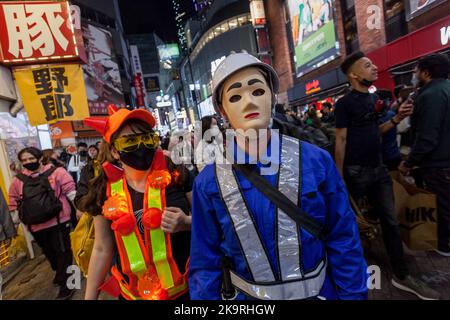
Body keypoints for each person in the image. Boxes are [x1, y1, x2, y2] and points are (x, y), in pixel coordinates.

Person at [189, 52, 368, 300]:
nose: (249, 102)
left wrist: (353, 297)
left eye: (258, 91)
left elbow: (343, 239)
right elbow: (205, 263)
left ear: (273, 97)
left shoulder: (316, 162)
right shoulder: (208, 182)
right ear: (222, 110)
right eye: (235, 96)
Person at [334, 51, 440, 299]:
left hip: (379, 170)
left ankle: (402, 276)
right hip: (355, 171)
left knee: (390, 222)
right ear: (354, 74)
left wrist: (397, 119)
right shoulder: (344, 104)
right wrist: (338, 176)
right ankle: (352, 276)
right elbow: (341, 139)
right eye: (367, 65)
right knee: (349, 224)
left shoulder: (372, 101)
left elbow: (376, 130)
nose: (374, 67)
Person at [78, 105, 192, 300]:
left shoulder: (178, 176)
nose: (141, 146)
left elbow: (210, 223)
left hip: (186, 292)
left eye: (147, 138)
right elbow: (102, 247)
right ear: (114, 151)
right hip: (133, 295)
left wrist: (187, 223)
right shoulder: (104, 190)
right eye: (130, 142)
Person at [398, 53, 450, 257]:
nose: (413, 73)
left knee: (442, 204)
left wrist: (409, 162)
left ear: (426, 73)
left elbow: (427, 137)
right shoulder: (444, 89)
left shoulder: (430, 95)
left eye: (416, 70)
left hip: (439, 162)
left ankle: (445, 245)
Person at [8, 147, 77, 300]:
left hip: (59, 220)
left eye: (31, 159)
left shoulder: (57, 172)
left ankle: (69, 285)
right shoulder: (18, 181)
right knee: (50, 253)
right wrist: (14, 223)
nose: (28, 162)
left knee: (63, 251)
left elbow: (71, 191)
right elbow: (13, 200)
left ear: (39, 158)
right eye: (24, 160)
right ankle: (61, 273)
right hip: (35, 224)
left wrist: (79, 210)